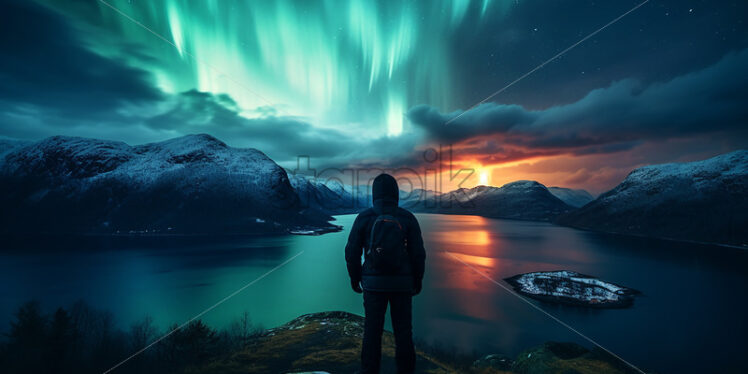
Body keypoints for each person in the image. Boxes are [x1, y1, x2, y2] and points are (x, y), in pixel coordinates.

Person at [345, 173, 426, 374]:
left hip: (373, 286)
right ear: (396, 193)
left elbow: (351, 252)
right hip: (402, 286)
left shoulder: (364, 217)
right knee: (404, 334)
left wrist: (355, 279)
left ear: (374, 194)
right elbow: (418, 254)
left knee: (372, 333)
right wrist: (417, 281)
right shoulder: (407, 218)